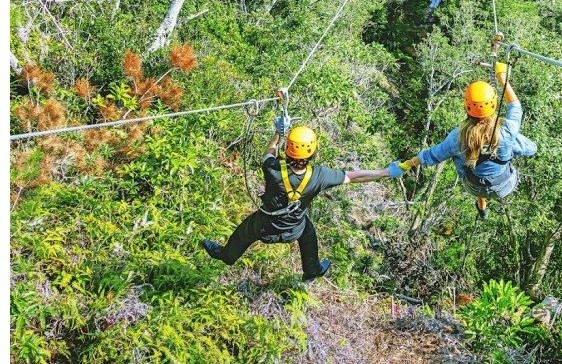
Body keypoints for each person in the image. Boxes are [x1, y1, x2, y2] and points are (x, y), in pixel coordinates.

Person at [201, 98, 409, 280]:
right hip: (293, 230)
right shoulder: (319, 176)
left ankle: (227, 255)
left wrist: (278, 133)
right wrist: (386, 172)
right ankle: (312, 269)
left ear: (287, 149)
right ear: (313, 152)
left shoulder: (272, 169)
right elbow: (354, 176)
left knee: (244, 230)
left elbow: (269, 152)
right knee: (308, 232)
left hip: (264, 227)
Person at [390, 58, 536, 220]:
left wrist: (406, 164)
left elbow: (432, 155)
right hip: (504, 185)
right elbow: (515, 106)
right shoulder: (506, 130)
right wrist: (502, 77)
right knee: (513, 143)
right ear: (493, 104)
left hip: (473, 186)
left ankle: (482, 204)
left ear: (466, 106)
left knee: (462, 157)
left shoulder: (458, 137)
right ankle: (524, 150)